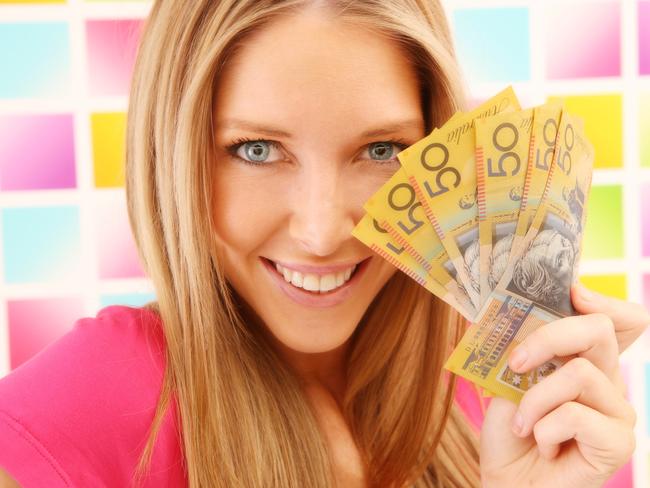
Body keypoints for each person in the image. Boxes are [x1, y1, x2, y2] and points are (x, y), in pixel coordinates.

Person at [1, 1, 648, 487]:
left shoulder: (515, 395)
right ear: (173, 156)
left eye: (382, 150)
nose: (321, 232)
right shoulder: (74, 409)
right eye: (256, 150)